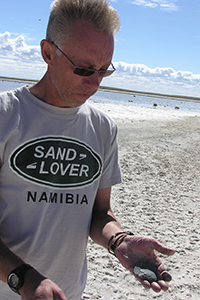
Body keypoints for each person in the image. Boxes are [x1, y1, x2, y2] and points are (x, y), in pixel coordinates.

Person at [0, 0, 175, 299]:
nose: (94, 83)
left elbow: (98, 212)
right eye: (84, 68)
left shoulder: (103, 128)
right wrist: (24, 278)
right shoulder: (6, 116)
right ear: (48, 53)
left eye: (104, 70)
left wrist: (118, 240)